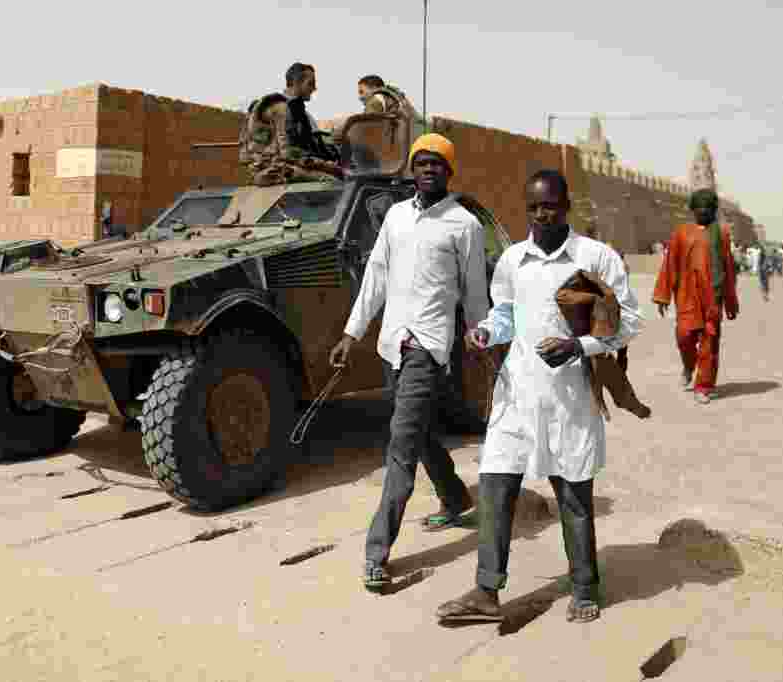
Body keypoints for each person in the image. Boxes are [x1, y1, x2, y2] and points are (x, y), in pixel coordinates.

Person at [434, 170, 643, 626]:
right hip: (516, 392)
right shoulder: (512, 261)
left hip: (569, 397)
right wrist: (487, 331)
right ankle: (486, 590)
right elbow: (505, 313)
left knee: (572, 494)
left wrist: (578, 346)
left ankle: (585, 585)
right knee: (494, 486)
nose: (541, 214)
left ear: (566, 205)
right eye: (533, 207)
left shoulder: (594, 257)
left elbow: (627, 323)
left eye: (549, 205)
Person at [329, 133, 488, 591]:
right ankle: (456, 497)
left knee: (399, 444)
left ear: (449, 171)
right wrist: (351, 333)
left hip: (428, 346)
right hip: (391, 343)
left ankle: (377, 551)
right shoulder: (396, 217)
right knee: (415, 432)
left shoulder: (464, 225)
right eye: (421, 162)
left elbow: (474, 293)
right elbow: (375, 277)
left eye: (437, 163)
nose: (428, 169)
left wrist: (479, 337)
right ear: (412, 170)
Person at [652, 189, 739, 405]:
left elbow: (728, 269)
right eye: (699, 209)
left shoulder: (722, 235)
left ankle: (704, 385)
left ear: (713, 210)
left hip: (712, 299)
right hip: (687, 297)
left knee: (710, 343)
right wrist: (663, 296)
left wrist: (730, 300)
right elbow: (670, 264)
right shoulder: (681, 233)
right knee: (684, 337)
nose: (703, 212)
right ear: (693, 210)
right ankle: (689, 365)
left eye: (707, 209)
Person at [238, 62, 343, 186]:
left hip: (275, 166)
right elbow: (289, 152)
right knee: (334, 183)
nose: (314, 88)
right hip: (275, 170)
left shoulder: (290, 107)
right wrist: (326, 165)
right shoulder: (282, 108)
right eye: (310, 83)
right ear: (296, 83)